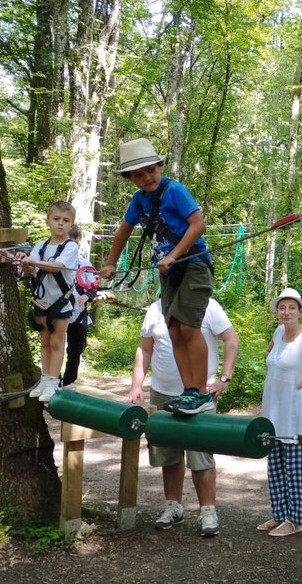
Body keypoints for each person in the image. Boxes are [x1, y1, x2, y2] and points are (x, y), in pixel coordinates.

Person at [99, 138, 214, 416]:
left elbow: (198, 224)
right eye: (138, 174)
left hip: (192, 264)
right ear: (130, 179)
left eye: (151, 169)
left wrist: (174, 254)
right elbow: (123, 231)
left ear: (160, 167)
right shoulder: (139, 200)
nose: (146, 177)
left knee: (188, 327)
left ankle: (200, 393)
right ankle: (188, 392)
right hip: (168, 272)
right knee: (173, 330)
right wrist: (111, 262)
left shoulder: (175, 190)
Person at [125, 297, 239, 537]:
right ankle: (173, 507)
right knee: (168, 453)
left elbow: (231, 340)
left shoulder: (206, 305)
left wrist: (225, 378)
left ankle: (208, 511)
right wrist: (137, 385)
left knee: (201, 455)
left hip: (199, 395)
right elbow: (145, 348)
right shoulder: (156, 308)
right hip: (162, 393)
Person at [258, 287, 302, 537]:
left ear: (300, 310)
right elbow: (271, 355)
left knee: (296, 469)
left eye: (291, 307)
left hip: (297, 414)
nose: (286, 312)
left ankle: (297, 520)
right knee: (275, 467)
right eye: (282, 307)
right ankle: (280, 515)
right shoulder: (278, 332)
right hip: (274, 410)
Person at [23, 200, 79, 403]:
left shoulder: (70, 246)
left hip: (61, 301)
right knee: (45, 341)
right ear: (48, 222)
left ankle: (54, 381)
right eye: (56, 219)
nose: (60, 224)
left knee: (57, 341)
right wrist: (25, 262)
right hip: (42, 301)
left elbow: (56, 267)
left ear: (71, 225)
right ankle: (45, 378)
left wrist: (32, 261)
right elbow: (31, 270)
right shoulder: (40, 245)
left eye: (66, 220)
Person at [62, 225, 97, 390]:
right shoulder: (56, 261)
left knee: (75, 350)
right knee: (56, 345)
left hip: (78, 313)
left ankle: (69, 382)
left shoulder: (85, 263)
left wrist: (87, 296)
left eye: (75, 242)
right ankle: (55, 380)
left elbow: (93, 286)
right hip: (59, 312)